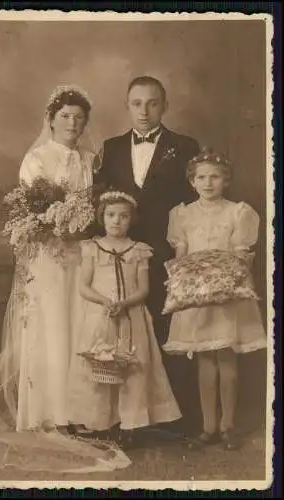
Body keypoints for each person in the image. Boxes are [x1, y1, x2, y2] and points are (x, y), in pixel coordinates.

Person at [0, 85, 130, 474]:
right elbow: (31, 207)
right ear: (51, 119)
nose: (73, 123)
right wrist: (55, 221)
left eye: (79, 117)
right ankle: (47, 412)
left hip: (80, 252)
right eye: (66, 116)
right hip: (48, 254)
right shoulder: (36, 158)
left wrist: (81, 220)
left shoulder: (90, 160)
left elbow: (98, 206)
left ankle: (75, 411)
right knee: (50, 326)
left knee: (77, 327)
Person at [93, 75, 200, 434]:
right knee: (124, 331)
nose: (144, 110)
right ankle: (127, 417)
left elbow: (194, 202)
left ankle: (173, 418)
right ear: (126, 105)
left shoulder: (184, 145)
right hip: (123, 256)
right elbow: (101, 204)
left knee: (170, 327)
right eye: (137, 103)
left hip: (170, 252)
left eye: (152, 103)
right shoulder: (111, 147)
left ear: (164, 106)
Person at [162, 147, 267, 450]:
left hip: (226, 293)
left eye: (215, 177)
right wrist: (179, 283)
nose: (208, 183)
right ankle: (208, 426)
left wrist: (227, 280)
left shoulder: (239, 212)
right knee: (205, 360)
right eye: (201, 177)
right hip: (196, 296)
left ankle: (228, 426)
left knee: (227, 358)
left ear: (226, 180)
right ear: (192, 181)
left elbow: (241, 254)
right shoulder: (182, 214)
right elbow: (180, 254)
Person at [66, 191, 182, 446]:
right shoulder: (92, 248)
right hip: (100, 316)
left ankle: (131, 422)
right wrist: (104, 301)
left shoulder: (139, 251)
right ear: (102, 217)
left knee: (133, 365)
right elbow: (83, 286)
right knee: (100, 363)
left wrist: (124, 303)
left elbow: (143, 289)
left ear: (132, 220)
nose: (116, 221)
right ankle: (99, 421)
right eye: (110, 215)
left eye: (123, 216)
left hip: (131, 316)